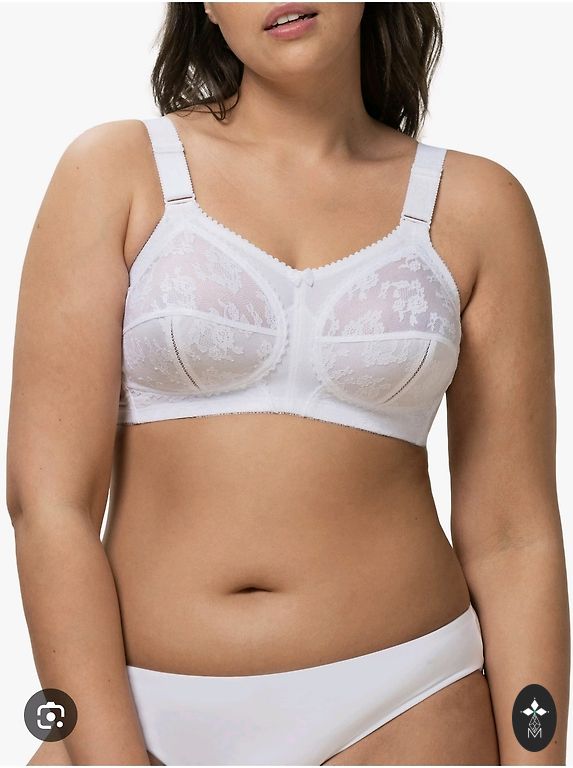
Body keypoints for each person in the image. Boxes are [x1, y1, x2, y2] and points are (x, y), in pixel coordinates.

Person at [7, 2, 569, 766]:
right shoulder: (116, 171)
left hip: (406, 702)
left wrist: (537, 757)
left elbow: (513, 534)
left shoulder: (476, 204)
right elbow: (49, 505)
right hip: (138, 707)